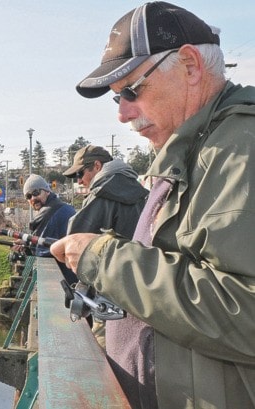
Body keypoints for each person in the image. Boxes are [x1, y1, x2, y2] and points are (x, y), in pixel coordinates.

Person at [50, 2, 255, 408]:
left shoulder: (241, 152)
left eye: (131, 90)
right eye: (116, 99)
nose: (124, 114)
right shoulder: (189, 151)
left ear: (191, 65)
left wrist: (103, 258)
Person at [63, 145, 149, 349]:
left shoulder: (102, 193)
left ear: (97, 166)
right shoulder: (144, 194)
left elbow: (73, 241)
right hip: (143, 298)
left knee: (103, 362)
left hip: (108, 299)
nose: (79, 181)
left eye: (80, 173)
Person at [17, 174, 76, 284]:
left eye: (36, 193)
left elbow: (42, 251)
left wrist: (26, 247)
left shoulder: (48, 214)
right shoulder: (63, 207)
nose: (33, 198)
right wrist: (26, 243)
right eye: (28, 196)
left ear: (47, 191)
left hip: (67, 278)